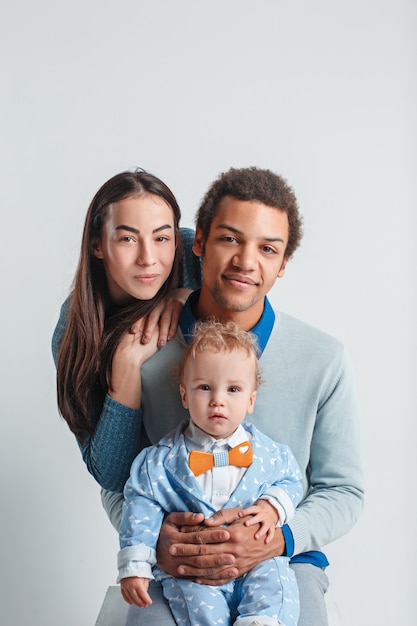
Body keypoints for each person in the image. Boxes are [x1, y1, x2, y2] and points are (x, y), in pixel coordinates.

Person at [54, 166, 364, 625]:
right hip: (174, 572)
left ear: (283, 264)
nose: (246, 261)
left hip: (286, 563)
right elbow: (123, 480)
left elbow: (344, 490)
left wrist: (281, 537)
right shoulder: (144, 356)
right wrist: (156, 539)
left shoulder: (324, 359)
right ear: (198, 243)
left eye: (267, 249)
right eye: (230, 240)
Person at [118, 319, 303, 626]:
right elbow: (139, 508)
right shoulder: (158, 463)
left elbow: (291, 481)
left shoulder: (271, 454)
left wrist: (272, 508)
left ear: (251, 400)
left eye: (233, 389)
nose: (218, 399)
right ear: (184, 395)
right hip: (191, 570)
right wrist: (135, 566)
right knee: (197, 605)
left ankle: (261, 621)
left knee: (277, 579)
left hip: (257, 561)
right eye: (205, 387)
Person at [52, 169, 202, 490]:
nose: (148, 259)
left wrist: (192, 300)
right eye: (128, 239)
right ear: (97, 244)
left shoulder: (193, 257)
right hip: (156, 498)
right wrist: (126, 366)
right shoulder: (73, 331)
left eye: (162, 238)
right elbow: (111, 476)